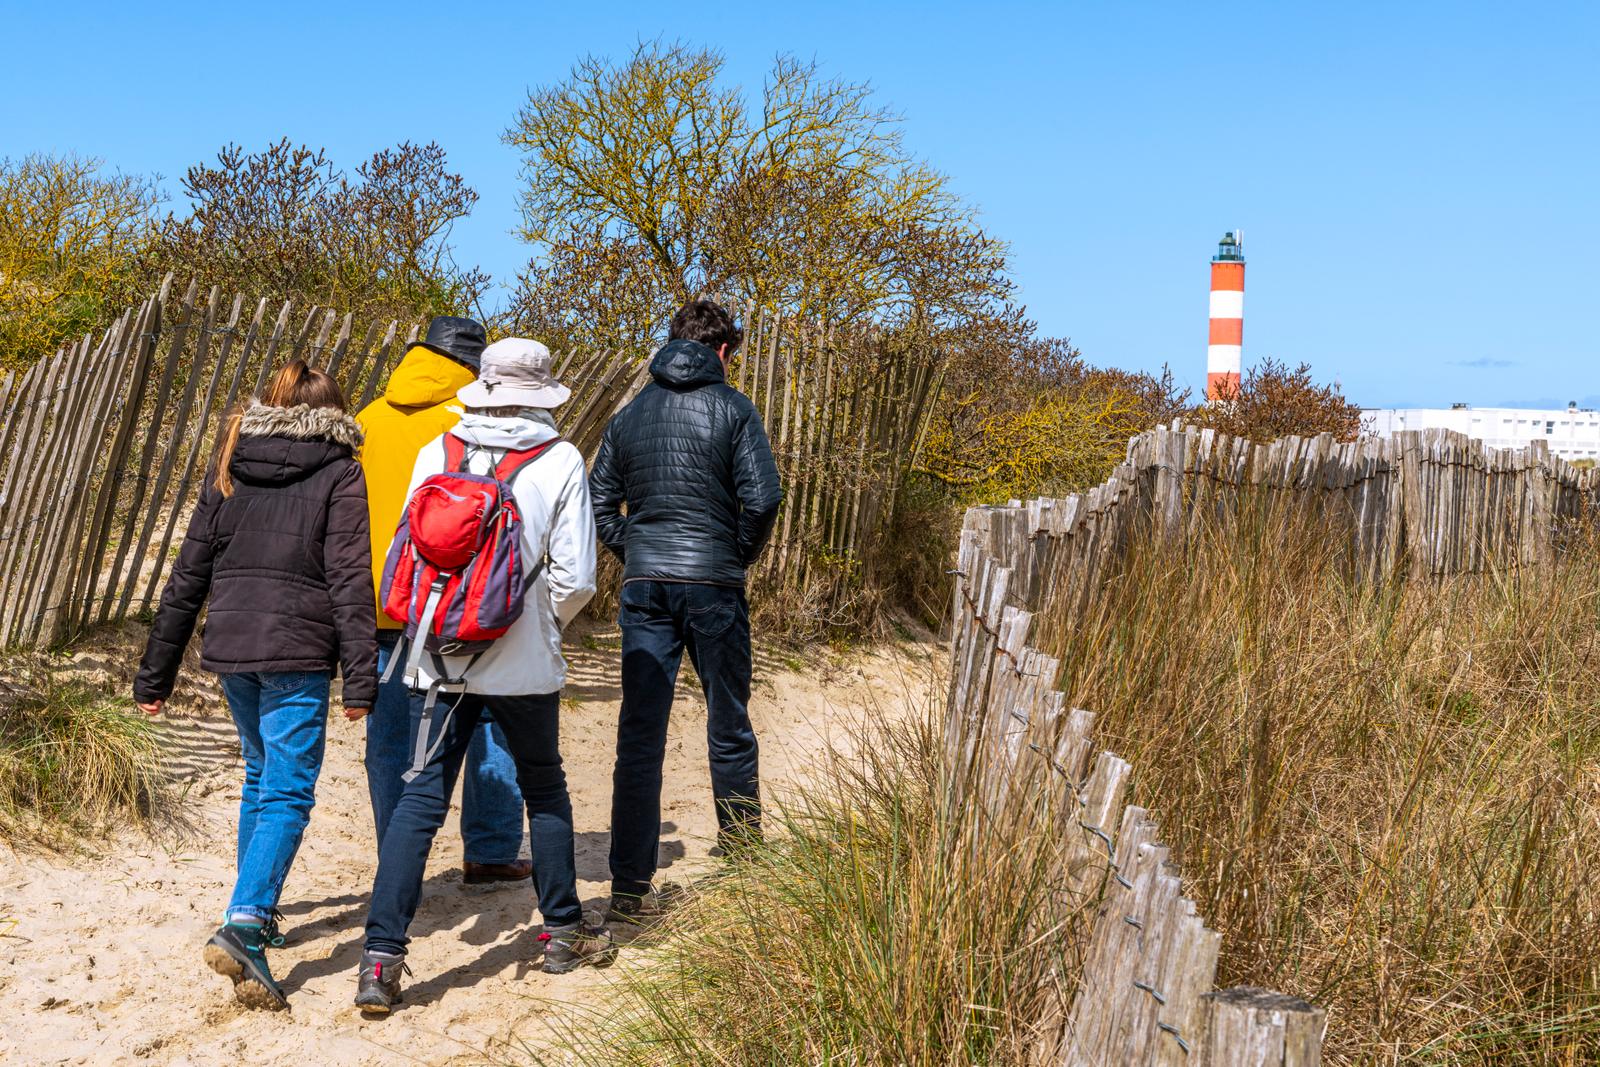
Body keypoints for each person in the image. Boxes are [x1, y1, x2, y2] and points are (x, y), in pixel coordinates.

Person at [355, 338, 612, 1014]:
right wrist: (528, 622)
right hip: (522, 662)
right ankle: (561, 932)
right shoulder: (560, 459)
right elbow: (576, 577)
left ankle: (381, 959)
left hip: (437, 653)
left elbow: (402, 552)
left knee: (420, 798)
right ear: (540, 393)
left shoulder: (437, 452)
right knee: (545, 789)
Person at [133, 360, 376, 1012]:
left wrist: (155, 674)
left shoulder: (232, 460)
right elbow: (351, 579)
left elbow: (188, 574)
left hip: (234, 646)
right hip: (296, 650)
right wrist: (362, 676)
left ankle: (255, 911)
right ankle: (245, 922)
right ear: (334, 412)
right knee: (289, 790)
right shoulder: (340, 470)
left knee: (261, 776)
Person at [590, 299, 783, 923]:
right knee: (727, 720)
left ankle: (628, 884)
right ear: (724, 350)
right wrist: (733, 557)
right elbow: (764, 497)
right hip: (714, 585)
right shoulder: (734, 408)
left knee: (639, 735)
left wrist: (635, 550)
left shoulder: (630, 414)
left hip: (645, 584)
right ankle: (743, 855)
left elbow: (600, 503)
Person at [356, 316, 530, 884]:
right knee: (486, 719)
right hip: (453, 600)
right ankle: (492, 847)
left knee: (387, 738)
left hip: (379, 596)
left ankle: (395, 857)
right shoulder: (468, 424)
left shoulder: (367, 420)